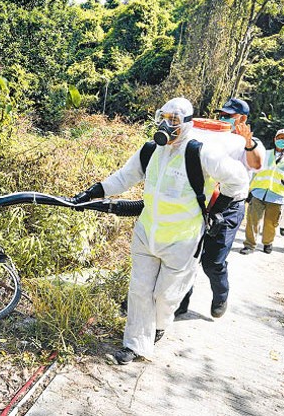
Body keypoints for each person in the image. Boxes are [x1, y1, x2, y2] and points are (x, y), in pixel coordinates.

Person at [71, 98, 248, 365]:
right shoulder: (150, 150)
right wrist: (90, 193)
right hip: (147, 233)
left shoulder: (200, 153)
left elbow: (238, 181)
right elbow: (124, 177)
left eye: (174, 120)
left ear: (188, 124)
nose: (167, 124)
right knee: (139, 290)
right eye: (163, 117)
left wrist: (217, 211)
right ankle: (134, 345)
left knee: (165, 297)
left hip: (183, 239)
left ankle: (161, 325)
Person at [175, 97, 265, 318]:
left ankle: (221, 295)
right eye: (221, 115)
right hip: (200, 204)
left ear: (242, 119)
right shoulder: (211, 137)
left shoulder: (252, 144)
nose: (222, 119)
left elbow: (257, 164)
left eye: (228, 116)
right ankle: (181, 301)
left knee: (212, 261)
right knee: (187, 254)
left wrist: (248, 142)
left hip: (229, 207)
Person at [241, 128, 284, 254]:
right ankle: (249, 245)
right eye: (279, 138)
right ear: (274, 139)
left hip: (278, 195)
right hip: (259, 192)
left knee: (271, 223)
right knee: (252, 220)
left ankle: (268, 243)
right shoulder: (265, 153)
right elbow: (254, 169)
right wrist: (249, 189)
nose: (281, 141)